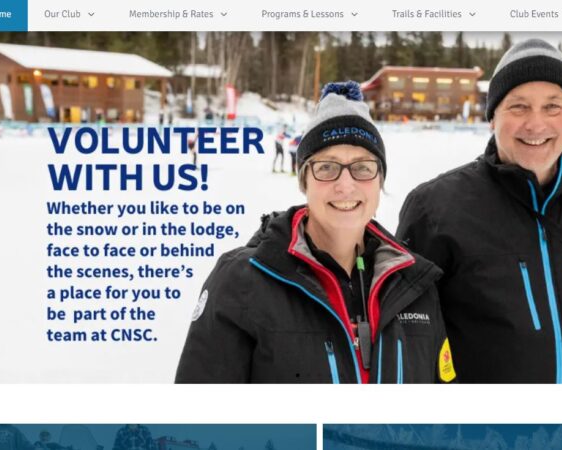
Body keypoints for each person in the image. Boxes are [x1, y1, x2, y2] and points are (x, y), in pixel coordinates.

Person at [396, 39, 562, 383]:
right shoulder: (435, 209)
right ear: (492, 117)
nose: (536, 124)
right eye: (518, 107)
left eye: (552, 106)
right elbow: (409, 343)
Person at [176, 81, 455, 384]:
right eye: (326, 167)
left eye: (363, 167)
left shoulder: (417, 287)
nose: (346, 185)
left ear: (380, 181)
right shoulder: (240, 283)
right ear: (304, 181)